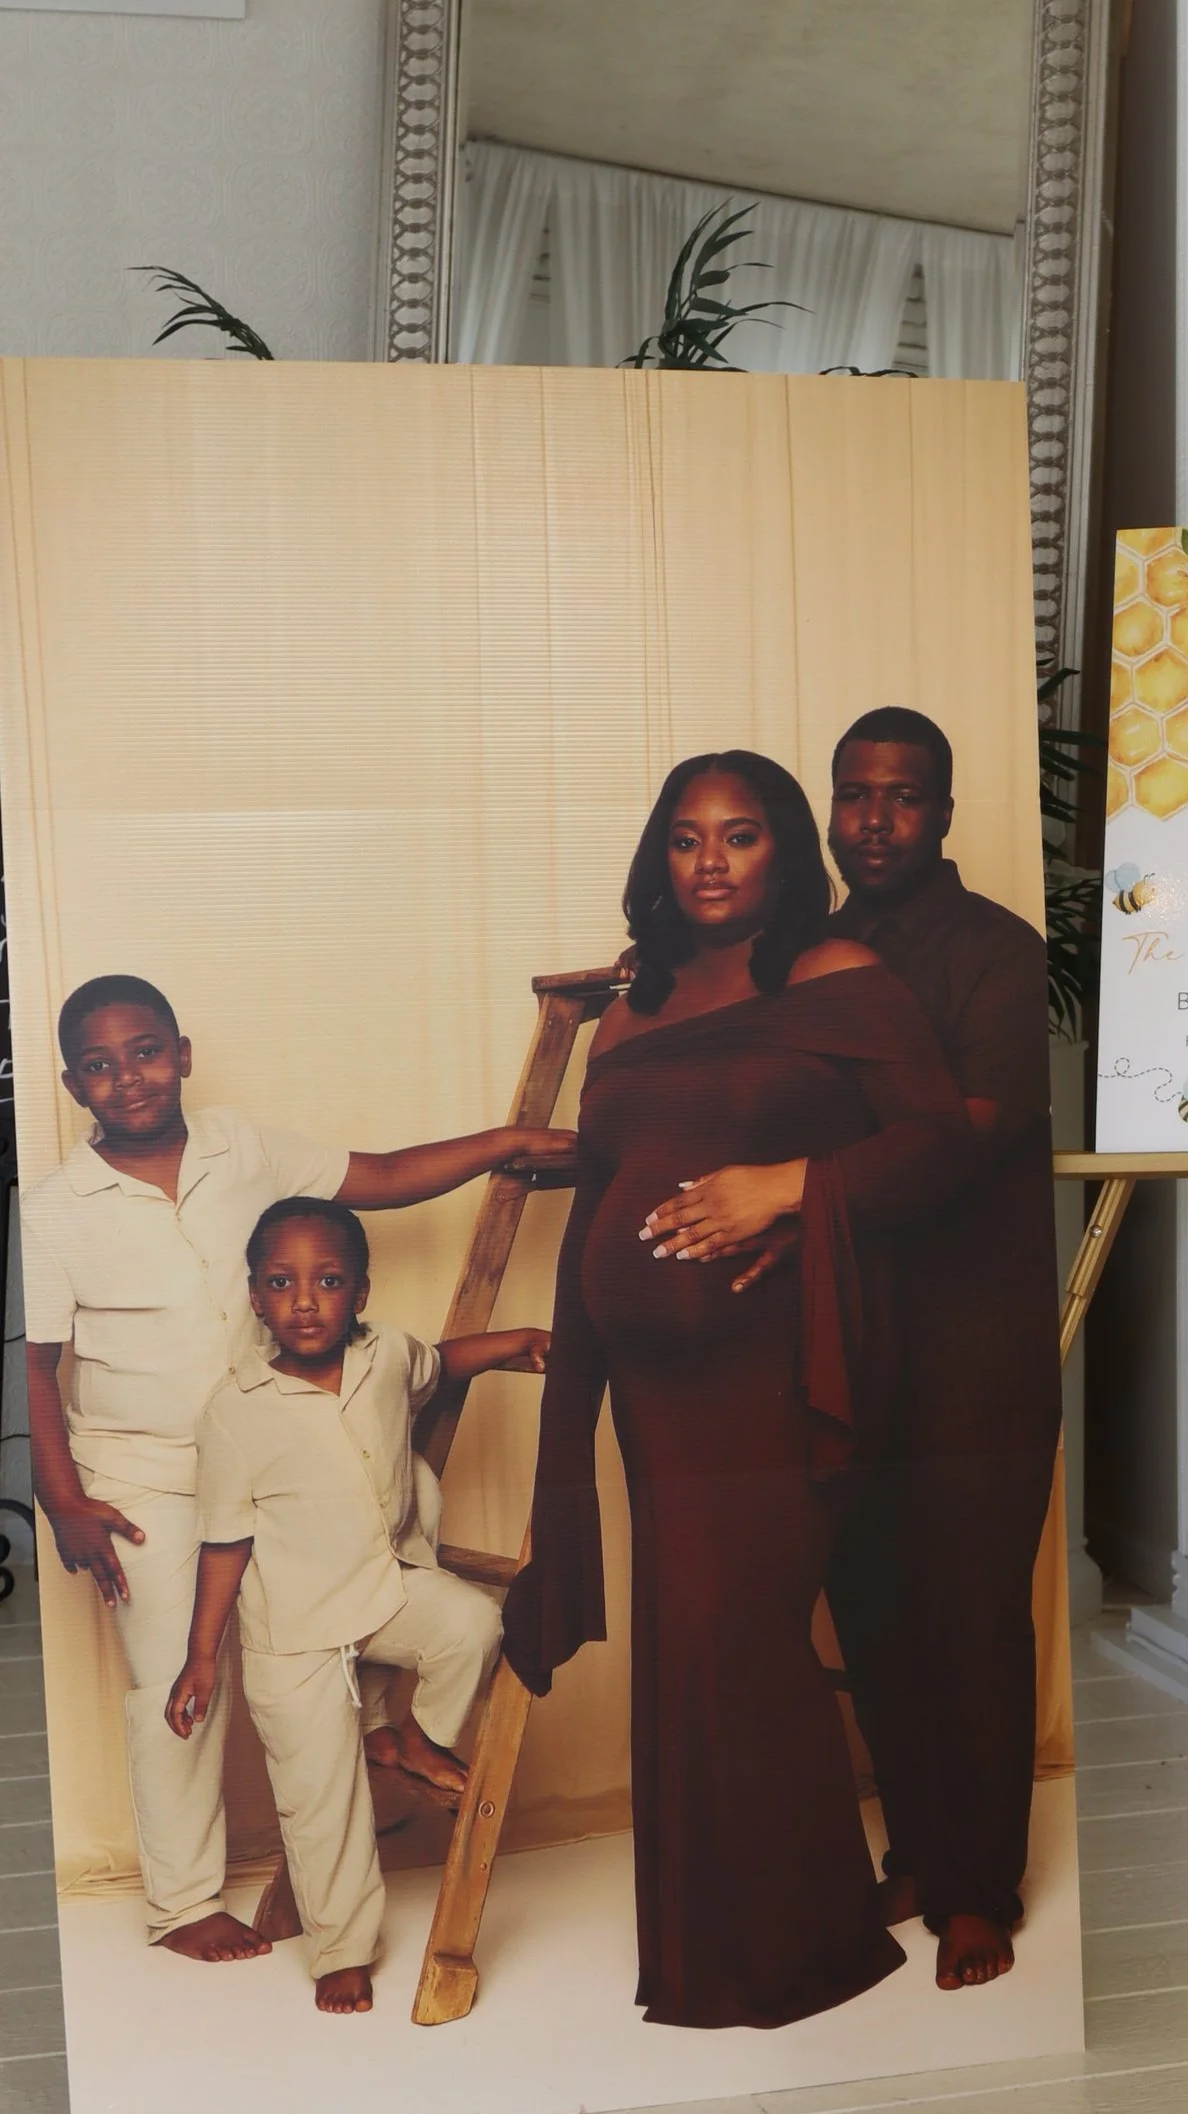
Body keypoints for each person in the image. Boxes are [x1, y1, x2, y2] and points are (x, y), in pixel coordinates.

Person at [502, 750, 971, 2029]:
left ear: (786, 853)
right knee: (690, 1648)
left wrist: (789, 1187)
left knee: (737, 1639)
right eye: (688, 838)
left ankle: (792, 1951)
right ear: (659, 854)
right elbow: (608, 1180)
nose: (711, 862)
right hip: (650, 1384)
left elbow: (936, 1143)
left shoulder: (836, 978)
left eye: (743, 836)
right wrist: (582, 1363)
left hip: (770, 1368)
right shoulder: (633, 1007)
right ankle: (717, 1942)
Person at [21, 976, 573, 1964]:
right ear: (72, 1084)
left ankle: (368, 1767)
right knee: (175, 1676)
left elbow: (385, 1175)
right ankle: (183, 1901)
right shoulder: (62, 1207)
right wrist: (62, 1498)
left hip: (275, 1454)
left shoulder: (243, 1147)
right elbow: (37, 1361)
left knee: (329, 1624)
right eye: (100, 1066)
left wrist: (507, 1144)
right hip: (139, 1474)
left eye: (146, 1051)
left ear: (182, 1053)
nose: (129, 1078)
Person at [643, 709, 1061, 1994]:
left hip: (973, 1345)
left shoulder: (995, 952)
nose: (876, 822)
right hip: (836, 1335)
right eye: (855, 797)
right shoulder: (793, 951)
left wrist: (786, 1190)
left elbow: (968, 1134)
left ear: (944, 811)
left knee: (972, 1618)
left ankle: (982, 1889)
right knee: (870, 1606)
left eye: (905, 798)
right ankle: (924, 1853)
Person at [169, 1200, 547, 2016]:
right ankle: (341, 1949)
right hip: (293, 1630)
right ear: (257, 1296)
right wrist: (202, 1655)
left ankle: (412, 1737)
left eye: (328, 1281)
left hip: (383, 1588)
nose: (305, 1300)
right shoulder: (235, 1410)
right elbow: (225, 1544)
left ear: (361, 1293)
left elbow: (444, 1365)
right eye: (282, 1283)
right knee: (319, 1796)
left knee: (475, 1623)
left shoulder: (387, 1358)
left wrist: (515, 1340)